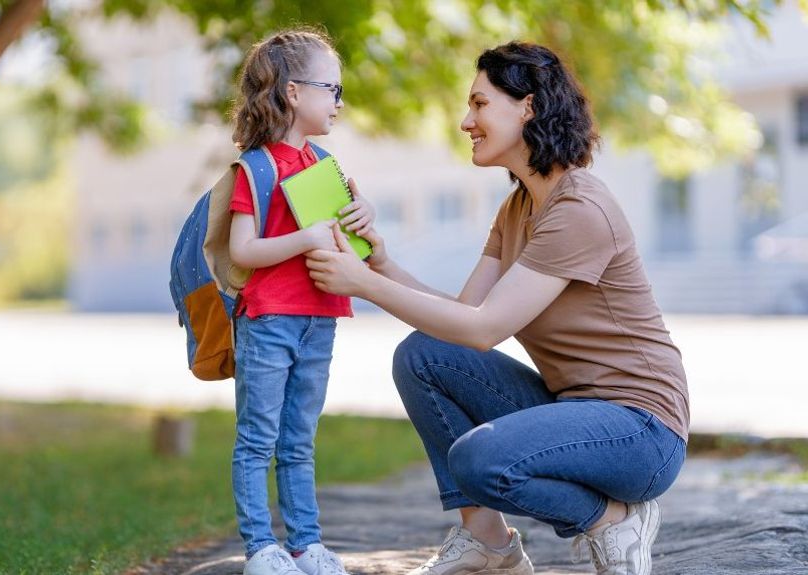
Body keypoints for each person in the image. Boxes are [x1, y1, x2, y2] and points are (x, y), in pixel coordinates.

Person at [305, 41, 688, 575]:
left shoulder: (579, 207)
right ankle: (488, 542)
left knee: (478, 460)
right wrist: (380, 267)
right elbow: (463, 318)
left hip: (641, 433)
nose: (467, 121)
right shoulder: (518, 207)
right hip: (572, 411)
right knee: (423, 355)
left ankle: (611, 518)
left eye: (480, 104)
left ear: (527, 106)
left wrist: (363, 288)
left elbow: (484, 330)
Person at [227, 29, 375, 575]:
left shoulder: (326, 165)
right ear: (293, 93)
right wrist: (305, 238)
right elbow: (244, 249)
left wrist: (364, 219)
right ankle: (261, 548)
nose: (340, 101)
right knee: (257, 439)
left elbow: (345, 239)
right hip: (268, 322)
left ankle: (305, 543)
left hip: (320, 318)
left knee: (300, 439)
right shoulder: (256, 168)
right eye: (331, 89)